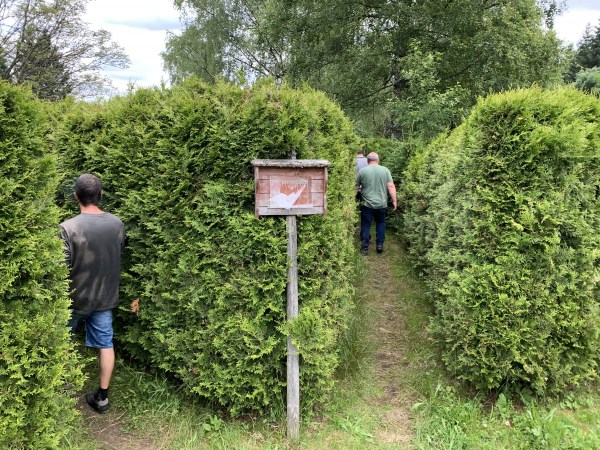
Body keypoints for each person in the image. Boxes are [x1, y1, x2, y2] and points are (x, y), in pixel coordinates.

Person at [60, 174, 125, 414]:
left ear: (75, 196)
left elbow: (61, 265)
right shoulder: (117, 224)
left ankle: (61, 389)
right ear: (101, 195)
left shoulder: (68, 227)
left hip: (74, 298)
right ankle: (103, 398)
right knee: (105, 344)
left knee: (62, 341)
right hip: (105, 298)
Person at [356, 152, 397, 254]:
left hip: (366, 204)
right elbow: (391, 187)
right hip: (381, 204)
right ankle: (379, 245)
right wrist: (394, 201)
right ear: (378, 160)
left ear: (367, 160)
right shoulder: (385, 170)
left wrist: (353, 200)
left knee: (365, 225)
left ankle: (365, 248)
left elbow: (356, 188)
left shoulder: (362, 171)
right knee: (380, 223)